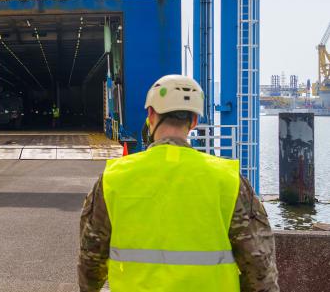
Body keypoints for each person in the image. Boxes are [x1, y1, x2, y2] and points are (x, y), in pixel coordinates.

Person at [78, 75, 278, 291]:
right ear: (194, 121)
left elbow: (91, 260)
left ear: (151, 115)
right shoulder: (228, 180)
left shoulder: (114, 179)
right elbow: (259, 267)